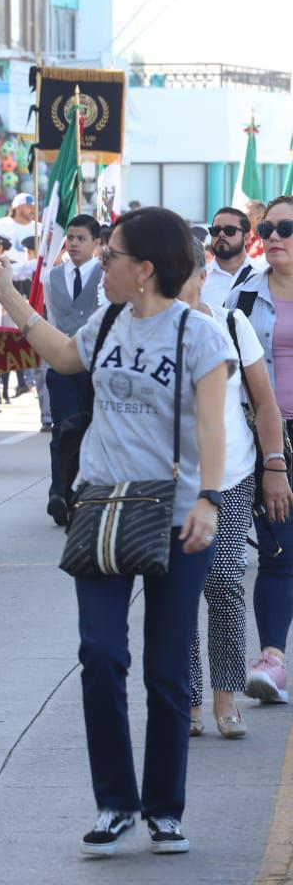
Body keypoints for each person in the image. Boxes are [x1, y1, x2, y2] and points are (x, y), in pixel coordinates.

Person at [0, 206, 229, 857]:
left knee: (166, 670)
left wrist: (207, 498)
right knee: (100, 656)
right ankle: (115, 802)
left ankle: (165, 810)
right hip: (102, 507)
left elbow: (212, 426)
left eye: (113, 254)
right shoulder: (110, 318)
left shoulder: (198, 335)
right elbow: (66, 357)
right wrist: (8, 294)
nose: (103, 265)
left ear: (144, 270)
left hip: (176, 517)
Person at [183, 240, 286, 740]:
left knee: (223, 584)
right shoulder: (139, 329)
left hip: (231, 475)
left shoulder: (230, 324)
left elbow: (264, 402)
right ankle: (188, 698)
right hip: (169, 483)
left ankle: (225, 695)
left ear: (203, 277)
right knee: (176, 594)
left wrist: (274, 466)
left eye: (188, 274)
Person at [223, 196, 293, 706]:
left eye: (286, 227)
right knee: (279, 551)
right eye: (267, 227)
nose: (274, 236)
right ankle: (272, 660)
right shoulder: (241, 299)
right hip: (269, 443)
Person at [43, 215, 105, 525]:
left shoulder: (106, 276)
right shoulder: (52, 277)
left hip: (96, 368)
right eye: (71, 237)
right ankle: (59, 493)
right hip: (62, 366)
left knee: (94, 430)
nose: (74, 243)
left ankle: (87, 493)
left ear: (97, 243)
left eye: (81, 238)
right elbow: (53, 320)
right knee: (63, 429)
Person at [201, 207, 264, 305]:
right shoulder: (198, 279)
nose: (221, 234)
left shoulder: (263, 276)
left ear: (246, 238)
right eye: (215, 230)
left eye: (229, 230)